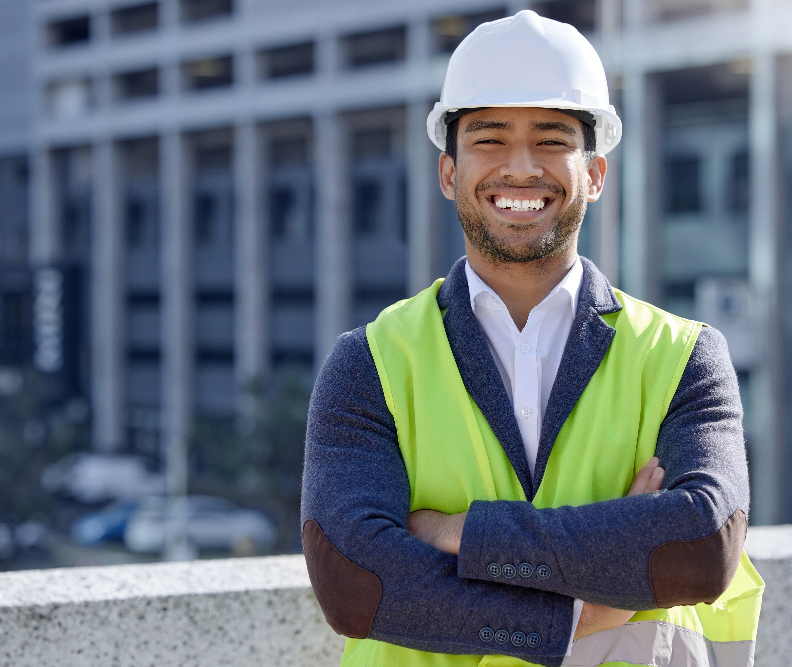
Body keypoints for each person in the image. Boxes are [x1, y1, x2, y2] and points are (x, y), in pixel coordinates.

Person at [301, 10, 763, 667]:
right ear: (449, 173)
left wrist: (461, 532)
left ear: (595, 174)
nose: (521, 168)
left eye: (551, 139)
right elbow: (355, 582)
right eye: (489, 139)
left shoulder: (684, 357)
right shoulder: (371, 362)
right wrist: (588, 608)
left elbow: (703, 544)